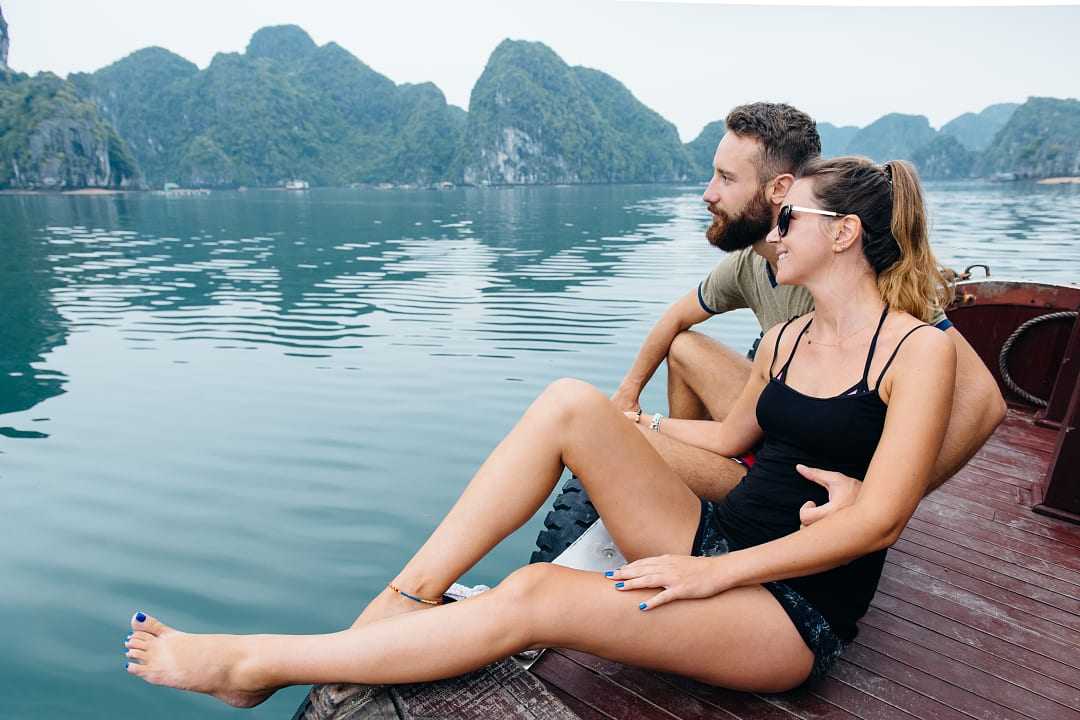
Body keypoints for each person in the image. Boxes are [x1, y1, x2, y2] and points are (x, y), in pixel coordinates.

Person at [122, 154, 959, 702]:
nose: (771, 235)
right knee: (570, 400)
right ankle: (402, 599)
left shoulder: (917, 352)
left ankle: (255, 663)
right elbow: (731, 440)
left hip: (787, 610)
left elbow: (882, 518)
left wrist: (717, 574)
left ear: (844, 235)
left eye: (789, 221)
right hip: (714, 537)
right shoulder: (785, 336)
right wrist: (630, 431)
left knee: (534, 596)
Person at [611, 103, 1005, 523]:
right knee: (684, 346)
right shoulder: (752, 264)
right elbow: (675, 318)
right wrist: (628, 396)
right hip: (777, 427)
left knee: (605, 434)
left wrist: (879, 500)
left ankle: (695, 491)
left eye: (726, 179)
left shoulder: (864, 281)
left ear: (779, 188)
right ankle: (689, 486)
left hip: (813, 469)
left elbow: (983, 402)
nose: (708, 193)